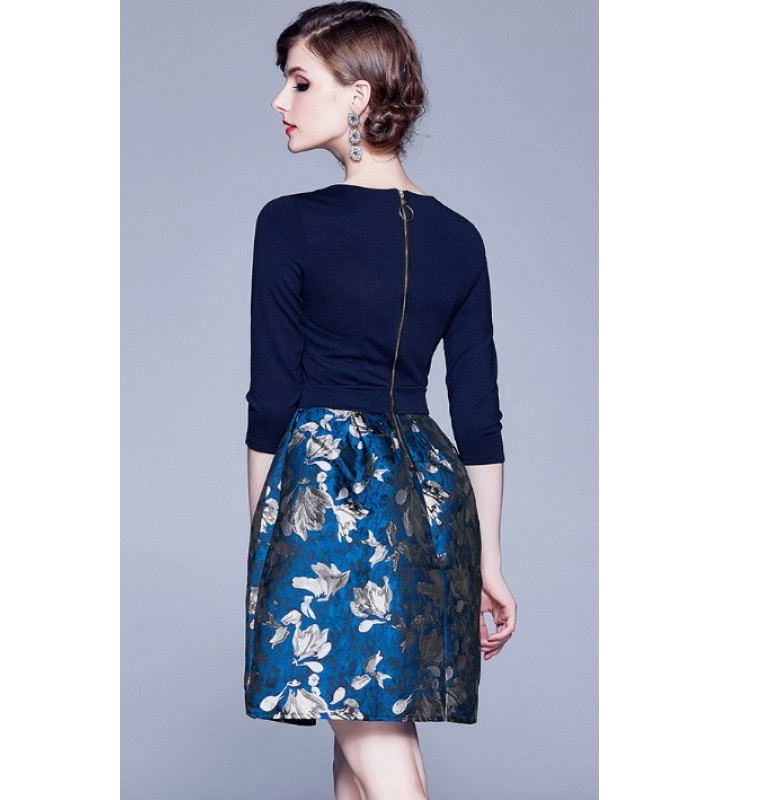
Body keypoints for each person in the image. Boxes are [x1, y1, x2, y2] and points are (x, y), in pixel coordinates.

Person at [243, 3, 516, 798]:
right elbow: (479, 418)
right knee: (358, 753)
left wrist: (266, 540)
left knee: (383, 755)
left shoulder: (288, 224)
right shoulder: (460, 238)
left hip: (329, 490)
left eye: (300, 82)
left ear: (358, 95)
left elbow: (271, 401)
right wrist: (489, 560)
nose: (280, 100)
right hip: (432, 501)